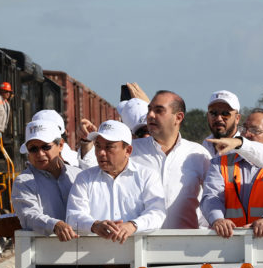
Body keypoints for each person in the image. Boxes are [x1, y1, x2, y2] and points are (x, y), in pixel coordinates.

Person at [201, 108, 263, 238]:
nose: (246, 134)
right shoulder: (219, 163)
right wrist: (217, 220)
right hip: (229, 245)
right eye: (244, 129)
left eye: (254, 130)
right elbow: (211, 197)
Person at [66, 120, 166, 243]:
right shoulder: (84, 178)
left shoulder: (147, 176)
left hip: (138, 255)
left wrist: (133, 225)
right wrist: (94, 225)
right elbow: (72, 216)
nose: (101, 153)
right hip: (94, 258)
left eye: (109, 147)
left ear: (128, 151)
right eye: (98, 146)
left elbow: (157, 212)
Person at [131, 90, 211, 229]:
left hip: (185, 245)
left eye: (159, 110)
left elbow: (214, 197)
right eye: (149, 109)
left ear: (178, 117)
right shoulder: (131, 151)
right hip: (139, 244)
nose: (150, 115)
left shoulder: (198, 154)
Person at [6, 120, 80, 241]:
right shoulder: (23, 182)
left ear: (60, 145)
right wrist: (55, 225)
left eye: (46, 147)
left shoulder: (78, 175)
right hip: (47, 254)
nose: (40, 154)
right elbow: (29, 216)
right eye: (33, 149)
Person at [202, 90, 242, 157]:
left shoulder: (246, 150)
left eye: (225, 114)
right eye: (213, 113)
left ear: (237, 118)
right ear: (207, 116)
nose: (219, 119)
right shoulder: (205, 146)